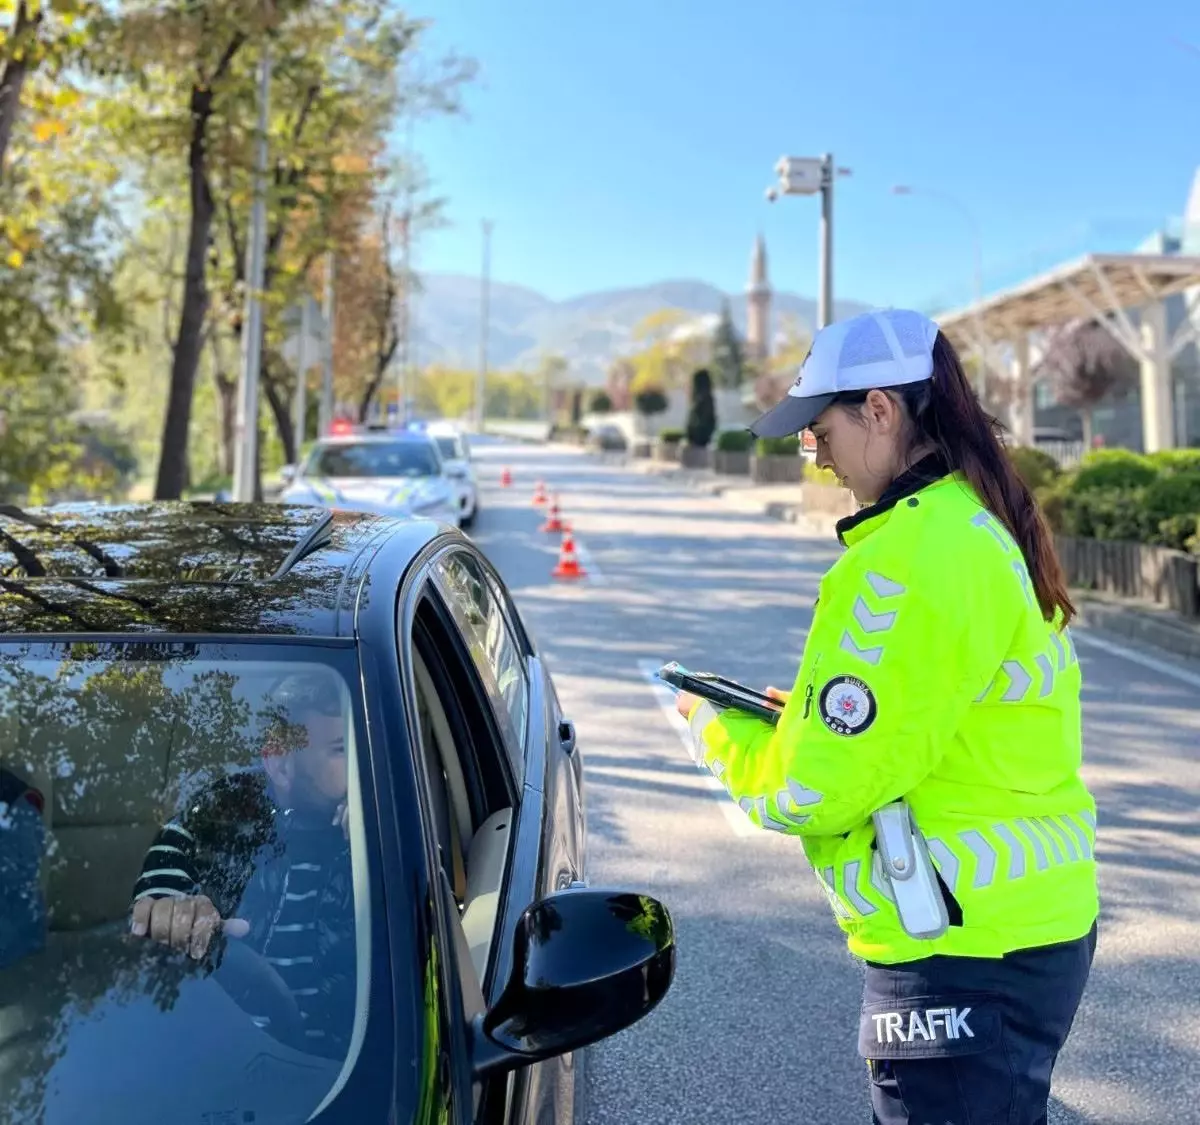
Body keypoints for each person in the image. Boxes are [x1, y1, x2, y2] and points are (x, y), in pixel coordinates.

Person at [674, 309, 1098, 1125]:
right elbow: (930, 721)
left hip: (960, 949)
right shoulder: (973, 521)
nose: (818, 456)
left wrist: (713, 729)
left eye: (820, 432)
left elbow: (810, 786)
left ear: (879, 409)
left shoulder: (909, 557)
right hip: (1026, 923)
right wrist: (796, 713)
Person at [129, 671, 356, 1057]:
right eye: (340, 750)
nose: (360, 765)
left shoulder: (376, 835)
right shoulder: (214, 820)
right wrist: (177, 915)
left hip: (348, 1076)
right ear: (280, 764)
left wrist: (365, 851)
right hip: (224, 1068)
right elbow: (156, 907)